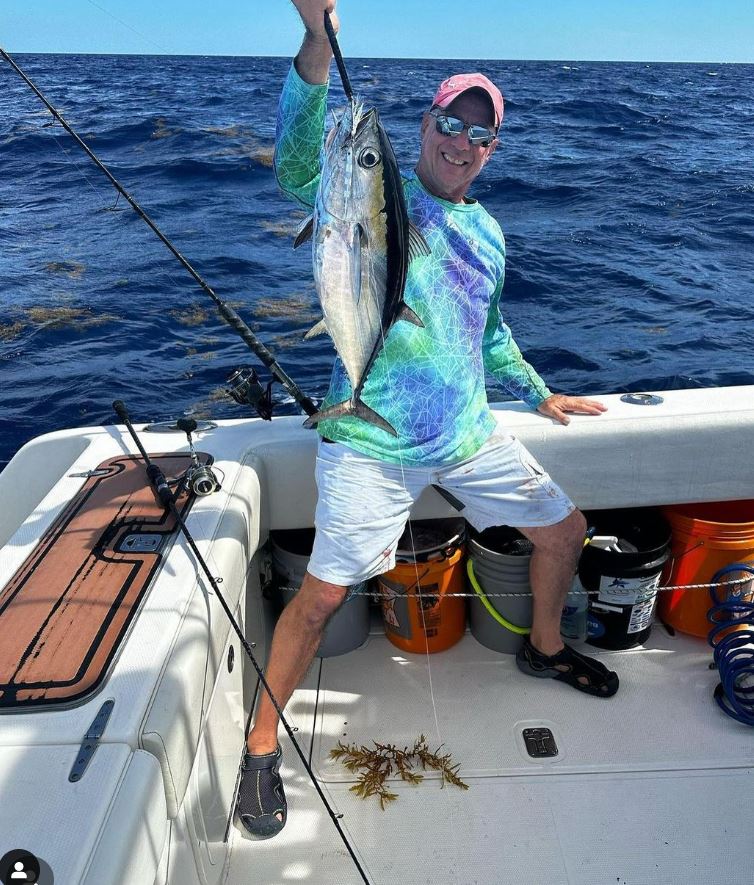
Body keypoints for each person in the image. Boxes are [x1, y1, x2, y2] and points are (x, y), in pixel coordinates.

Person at [236, 0, 617, 839]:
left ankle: (544, 646)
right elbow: (298, 164)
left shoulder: (489, 232)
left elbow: (490, 330)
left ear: (492, 150)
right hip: (370, 437)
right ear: (427, 122)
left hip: (466, 432)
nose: (463, 143)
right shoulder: (378, 190)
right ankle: (261, 742)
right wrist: (313, 38)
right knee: (321, 597)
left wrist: (538, 389)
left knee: (566, 530)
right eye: (453, 122)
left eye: (480, 135)